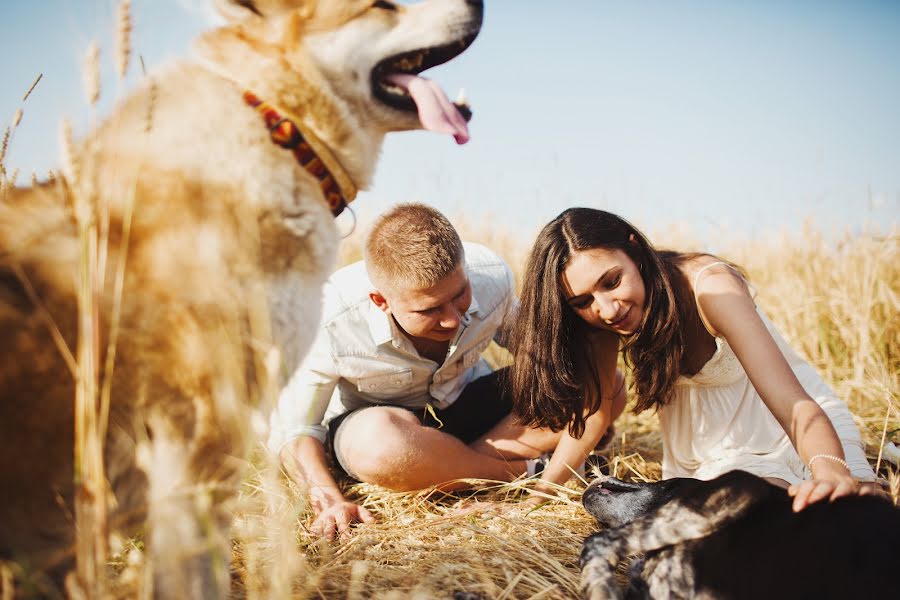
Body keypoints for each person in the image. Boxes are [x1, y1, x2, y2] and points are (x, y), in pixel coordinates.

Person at [269, 204, 624, 539]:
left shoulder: (491, 276)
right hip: (386, 427)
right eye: (429, 309)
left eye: (460, 294)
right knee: (377, 447)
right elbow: (297, 429)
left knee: (602, 384)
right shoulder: (326, 318)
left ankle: (450, 471)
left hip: (466, 405)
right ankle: (521, 473)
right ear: (381, 301)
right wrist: (329, 500)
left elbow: (548, 361)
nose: (453, 318)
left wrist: (575, 393)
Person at [509, 207, 881, 513]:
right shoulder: (605, 318)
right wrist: (536, 500)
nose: (605, 309)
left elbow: (793, 404)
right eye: (583, 302)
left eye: (611, 282)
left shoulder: (712, 287)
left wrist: (831, 469)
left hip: (798, 431)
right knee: (751, 518)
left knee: (851, 512)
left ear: (635, 251)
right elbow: (598, 413)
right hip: (712, 456)